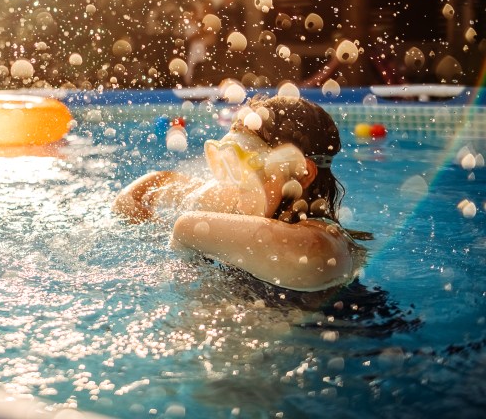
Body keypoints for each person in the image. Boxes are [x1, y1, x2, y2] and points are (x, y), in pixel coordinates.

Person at [114, 95, 369, 292]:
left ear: (300, 173)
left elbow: (187, 227)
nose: (233, 181)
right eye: (225, 159)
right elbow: (154, 183)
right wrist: (148, 223)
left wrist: (181, 229)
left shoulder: (324, 249)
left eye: (246, 162)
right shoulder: (241, 202)